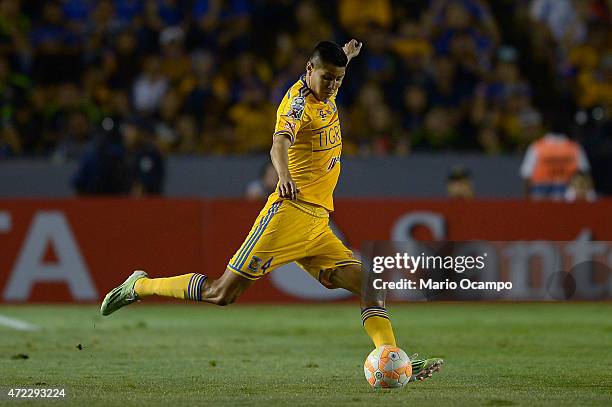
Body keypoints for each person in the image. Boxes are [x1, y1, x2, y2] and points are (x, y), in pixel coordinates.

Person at [100, 40, 443, 382]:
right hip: (289, 214)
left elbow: (333, 70)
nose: (334, 85)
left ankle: (392, 359)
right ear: (309, 71)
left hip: (318, 225)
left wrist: (346, 58)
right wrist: (283, 175)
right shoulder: (297, 104)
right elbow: (279, 142)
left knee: (370, 284)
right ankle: (140, 286)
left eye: (338, 79)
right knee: (222, 293)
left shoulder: (327, 89)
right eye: (328, 79)